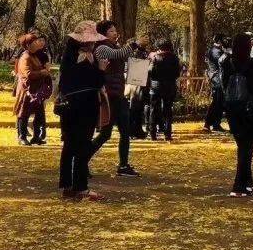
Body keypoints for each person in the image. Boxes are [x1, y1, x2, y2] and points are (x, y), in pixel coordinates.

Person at [57, 21, 107, 201]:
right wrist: (101, 70)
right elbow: (95, 83)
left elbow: (65, 83)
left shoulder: (68, 58)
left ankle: (67, 185)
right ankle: (81, 187)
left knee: (69, 146)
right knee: (82, 146)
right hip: (85, 107)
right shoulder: (86, 59)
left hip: (69, 107)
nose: (94, 44)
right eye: (92, 42)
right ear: (86, 43)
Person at [89, 21, 141, 176]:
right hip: (109, 95)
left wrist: (138, 48)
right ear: (104, 33)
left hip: (119, 94)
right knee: (105, 133)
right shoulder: (102, 48)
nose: (115, 33)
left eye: (115, 30)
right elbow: (118, 55)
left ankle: (123, 165)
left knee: (125, 130)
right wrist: (134, 44)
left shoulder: (116, 46)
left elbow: (125, 56)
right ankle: (81, 160)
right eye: (111, 31)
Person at [221, 32, 253, 197]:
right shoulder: (252, 64)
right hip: (250, 109)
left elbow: (223, 84)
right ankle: (239, 185)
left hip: (233, 109)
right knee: (246, 148)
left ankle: (247, 181)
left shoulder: (227, 62)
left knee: (243, 146)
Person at [13, 32, 53, 146]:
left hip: (37, 91)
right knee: (23, 113)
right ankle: (22, 136)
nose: (38, 43)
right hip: (27, 91)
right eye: (35, 41)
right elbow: (28, 74)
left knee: (39, 113)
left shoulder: (34, 55)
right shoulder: (25, 57)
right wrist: (42, 72)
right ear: (28, 44)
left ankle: (36, 137)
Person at [148, 39, 182, 141]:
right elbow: (177, 73)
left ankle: (153, 133)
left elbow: (150, 72)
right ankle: (168, 134)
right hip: (169, 86)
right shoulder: (174, 58)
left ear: (159, 47)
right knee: (168, 110)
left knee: (153, 109)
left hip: (156, 86)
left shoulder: (155, 58)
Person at [203, 34, 228, 133]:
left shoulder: (216, 50)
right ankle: (207, 123)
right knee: (216, 102)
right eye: (223, 40)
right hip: (217, 79)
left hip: (218, 78)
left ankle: (216, 124)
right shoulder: (215, 51)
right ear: (219, 40)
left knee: (219, 102)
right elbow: (221, 63)